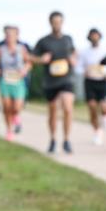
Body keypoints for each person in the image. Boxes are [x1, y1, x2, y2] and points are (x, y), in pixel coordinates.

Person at [30, 11, 77, 154]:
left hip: (66, 79)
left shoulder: (68, 39)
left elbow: (74, 52)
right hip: (51, 82)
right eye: (54, 22)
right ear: (50, 23)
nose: (57, 25)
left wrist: (73, 59)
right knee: (53, 112)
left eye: (59, 22)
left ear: (62, 22)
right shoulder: (44, 41)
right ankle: (53, 139)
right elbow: (31, 57)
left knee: (68, 108)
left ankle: (67, 139)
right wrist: (41, 59)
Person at [0, 25, 32, 141]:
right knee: (7, 107)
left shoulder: (22, 48)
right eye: (7, 35)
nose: (9, 37)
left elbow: (29, 63)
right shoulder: (1, 49)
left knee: (16, 107)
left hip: (18, 80)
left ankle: (16, 116)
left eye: (12, 35)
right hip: (5, 80)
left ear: (17, 36)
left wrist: (25, 70)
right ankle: (9, 130)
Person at [79, 28, 106, 145]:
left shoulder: (105, 51)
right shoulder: (84, 52)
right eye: (92, 36)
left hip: (102, 81)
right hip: (90, 81)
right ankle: (97, 131)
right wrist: (85, 71)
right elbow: (78, 67)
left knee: (104, 106)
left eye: (96, 36)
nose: (94, 38)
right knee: (92, 107)